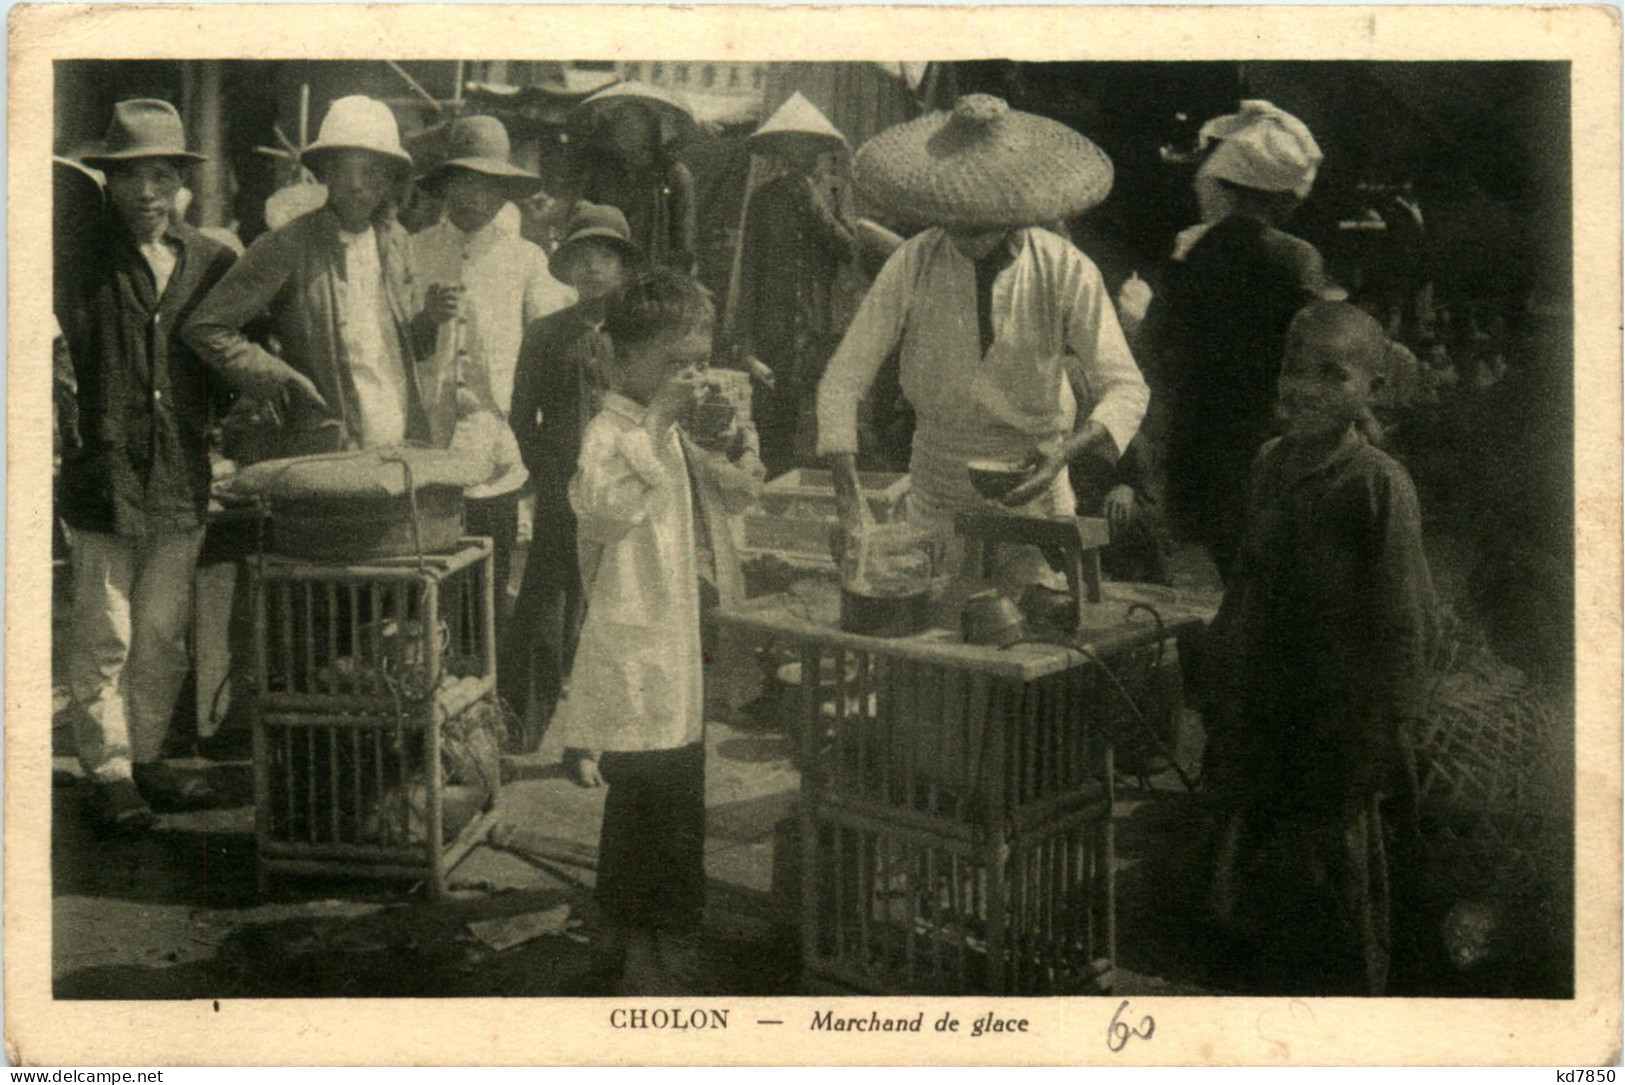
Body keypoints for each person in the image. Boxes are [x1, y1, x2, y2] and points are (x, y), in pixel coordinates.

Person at [816, 95, 1149, 594]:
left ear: (1015, 207)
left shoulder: (1064, 267)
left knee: (1032, 622)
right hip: (939, 483)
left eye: (980, 215)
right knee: (938, 629)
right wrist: (849, 501)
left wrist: (1062, 453)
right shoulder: (913, 262)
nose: (963, 226)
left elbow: (1125, 387)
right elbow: (841, 384)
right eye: (954, 212)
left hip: (1035, 488)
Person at [1200, 302, 1436, 996]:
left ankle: (1352, 1000)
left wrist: (1397, 723)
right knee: (1251, 845)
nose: (1303, 387)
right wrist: (1221, 665)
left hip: (1342, 711)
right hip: (1268, 694)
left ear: (1372, 389)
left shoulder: (1376, 482)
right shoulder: (1269, 464)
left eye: (1331, 374)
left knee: (1341, 861)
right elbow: (1248, 576)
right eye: (1291, 369)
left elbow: (1404, 618)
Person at [554, 268, 762, 993]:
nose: (690, 377)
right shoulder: (610, 431)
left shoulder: (669, 431)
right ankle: (660, 957)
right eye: (676, 365)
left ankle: (617, 937)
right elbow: (605, 511)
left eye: (698, 362)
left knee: (651, 801)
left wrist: (735, 442)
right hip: (636, 650)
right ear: (619, 359)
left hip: (673, 648)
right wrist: (657, 424)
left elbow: (741, 494)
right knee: (659, 813)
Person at [57, 99, 239, 829]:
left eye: (160, 177)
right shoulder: (75, 259)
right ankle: (106, 768)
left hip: (178, 477)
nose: (145, 194)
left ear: (180, 184)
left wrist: (219, 418)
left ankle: (150, 756)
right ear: (107, 183)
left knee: (163, 632)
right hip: (101, 473)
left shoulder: (209, 261)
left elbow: (232, 349)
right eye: (129, 178)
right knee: (106, 629)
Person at [1145, 101, 1330, 582]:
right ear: (1278, 197)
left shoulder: (1191, 252)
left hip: (1198, 444)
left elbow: (1153, 341)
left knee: (1232, 575)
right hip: (1267, 440)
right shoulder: (1296, 259)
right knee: (1278, 581)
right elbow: (1317, 350)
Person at [183, 95, 426, 449]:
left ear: (390, 179)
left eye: (372, 171)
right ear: (325, 172)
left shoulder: (398, 243)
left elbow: (398, 348)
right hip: (328, 446)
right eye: (345, 169)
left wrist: (430, 320)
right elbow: (206, 326)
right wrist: (277, 378)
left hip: (398, 437)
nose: (357, 184)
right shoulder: (289, 244)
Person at [411, 115, 576, 633]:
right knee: (427, 569)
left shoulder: (526, 260)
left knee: (489, 567)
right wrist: (425, 320)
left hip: (494, 438)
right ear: (445, 186)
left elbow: (549, 343)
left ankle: (485, 686)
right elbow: (396, 348)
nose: (474, 197)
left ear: (505, 190)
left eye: (488, 185)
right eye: (463, 182)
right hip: (428, 438)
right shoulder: (414, 251)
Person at [505, 203, 643, 756]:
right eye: (582, 255)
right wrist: (550, 469)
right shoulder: (546, 334)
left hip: (626, 486)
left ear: (624, 267)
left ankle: (600, 742)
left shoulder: (637, 335)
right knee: (546, 600)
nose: (592, 267)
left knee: (615, 605)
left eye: (604, 255)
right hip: (564, 486)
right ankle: (522, 727)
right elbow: (521, 415)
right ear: (567, 266)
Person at [734, 93, 857, 476]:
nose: (799, 153)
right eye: (792, 145)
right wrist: (746, 336)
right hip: (776, 318)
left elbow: (849, 248)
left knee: (820, 404)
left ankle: (816, 481)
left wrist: (817, 206)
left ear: (819, 150)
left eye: (807, 145)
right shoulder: (764, 199)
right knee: (774, 406)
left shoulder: (834, 194)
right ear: (782, 151)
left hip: (820, 319)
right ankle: (776, 482)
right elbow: (751, 266)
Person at [574, 97, 697, 274]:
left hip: (655, 269)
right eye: (620, 124)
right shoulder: (600, 172)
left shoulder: (674, 174)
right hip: (609, 268)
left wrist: (677, 276)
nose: (626, 132)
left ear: (650, 130)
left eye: (634, 125)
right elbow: (584, 218)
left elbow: (684, 233)